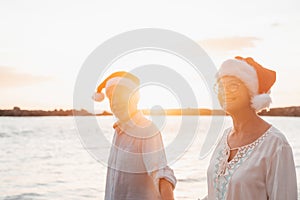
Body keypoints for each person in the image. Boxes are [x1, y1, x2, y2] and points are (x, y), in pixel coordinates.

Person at [204, 56, 297, 199]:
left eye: (233, 85)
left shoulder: (276, 145)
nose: (225, 91)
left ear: (251, 92)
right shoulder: (225, 137)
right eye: (221, 86)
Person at [93, 71, 176, 200]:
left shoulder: (147, 130)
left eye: (119, 95)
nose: (114, 102)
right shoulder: (118, 131)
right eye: (110, 97)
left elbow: (162, 175)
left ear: (134, 97)